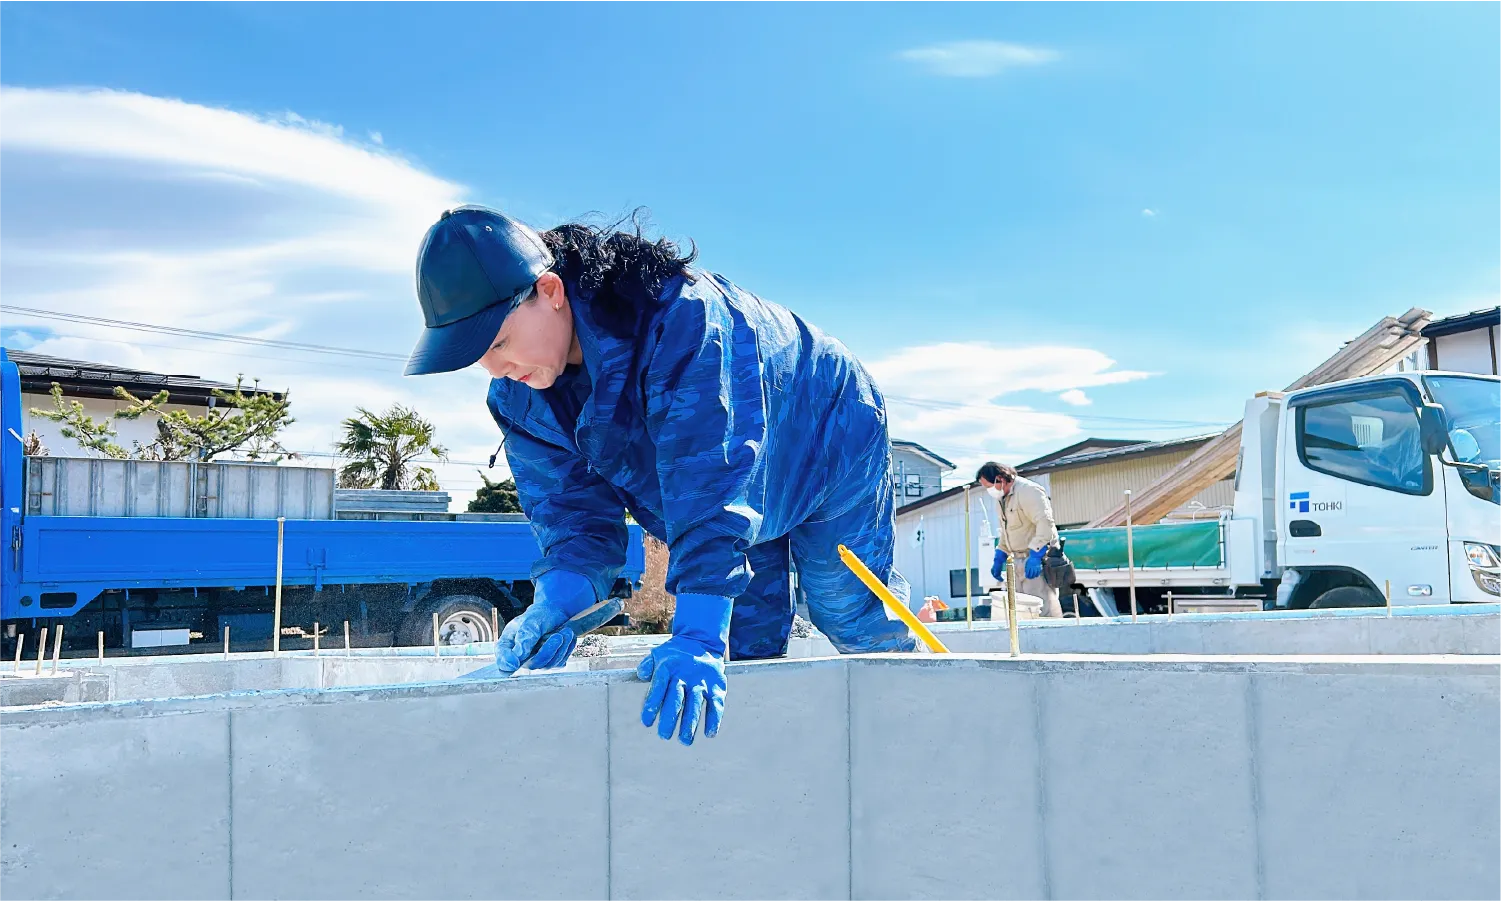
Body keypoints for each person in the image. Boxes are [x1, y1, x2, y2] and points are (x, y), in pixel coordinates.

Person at [404, 206, 916, 745]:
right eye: (479, 356)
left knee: (847, 608)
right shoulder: (521, 399)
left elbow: (710, 479)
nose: (497, 367)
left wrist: (695, 634)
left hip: (827, 435)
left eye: (500, 343)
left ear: (550, 291)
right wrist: (557, 602)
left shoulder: (681, 321)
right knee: (743, 644)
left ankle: (931, 713)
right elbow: (573, 520)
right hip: (728, 498)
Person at [977, 462, 1063, 617]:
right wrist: (1000, 554)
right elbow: (1007, 530)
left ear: (999, 479)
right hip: (1017, 562)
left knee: (1041, 612)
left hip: (1037, 561)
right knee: (1020, 614)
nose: (988, 490)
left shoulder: (1029, 491)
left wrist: (1036, 555)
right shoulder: (1002, 498)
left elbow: (1045, 523)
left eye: (988, 486)